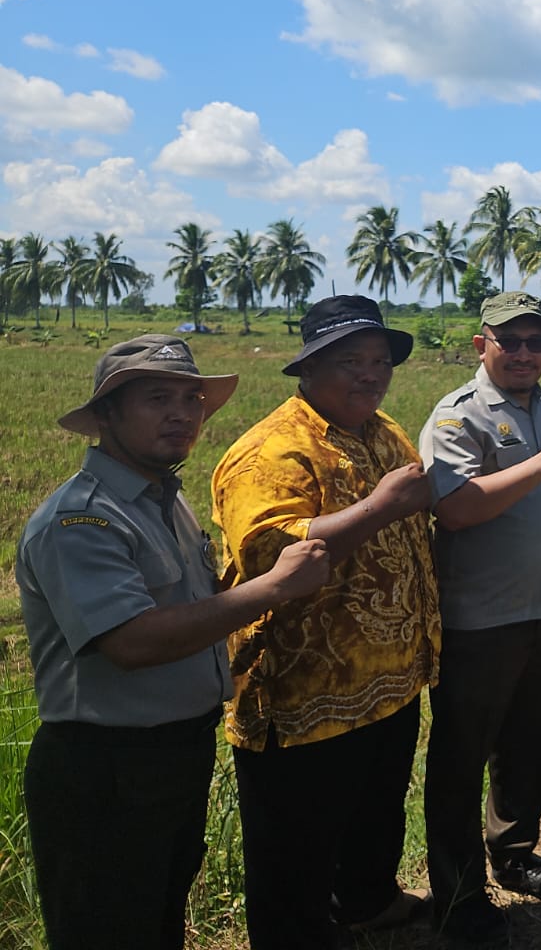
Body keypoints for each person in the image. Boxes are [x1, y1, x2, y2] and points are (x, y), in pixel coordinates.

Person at [16, 336, 329, 950]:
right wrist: (272, 588)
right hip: (106, 769)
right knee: (108, 929)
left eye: (192, 399)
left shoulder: (166, 500)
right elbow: (131, 642)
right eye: (158, 399)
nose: (182, 414)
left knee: (157, 918)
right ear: (107, 415)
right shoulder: (82, 520)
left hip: (175, 755)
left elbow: (192, 605)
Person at [212, 295, 438, 950]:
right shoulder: (272, 452)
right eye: (351, 361)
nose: (371, 374)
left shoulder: (383, 431)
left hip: (387, 680)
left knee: (375, 810)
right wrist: (380, 506)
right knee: (295, 845)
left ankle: (368, 902)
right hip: (304, 690)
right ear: (308, 367)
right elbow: (268, 554)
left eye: (380, 361)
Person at [418, 292, 541, 943]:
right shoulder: (459, 415)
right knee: (462, 756)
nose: (523, 354)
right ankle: (458, 896)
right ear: (480, 344)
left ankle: (514, 855)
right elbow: (456, 508)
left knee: (530, 739)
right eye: (508, 341)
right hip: (483, 617)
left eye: (535, 342)